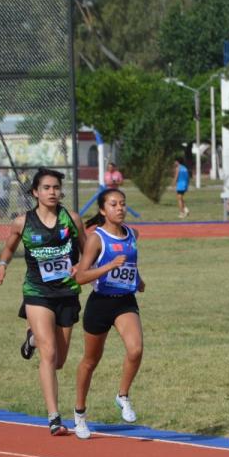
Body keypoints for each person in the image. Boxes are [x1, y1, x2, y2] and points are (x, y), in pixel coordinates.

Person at [0, 168, 86, 436]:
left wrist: (81, 265)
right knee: (49, 353)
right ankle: (54, 417)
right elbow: (10, 247)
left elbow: (88, 248)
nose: (52, 192)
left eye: (56, 187)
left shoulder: (72, 219)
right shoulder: (22, 222)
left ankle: (31, 338)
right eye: (46, 188)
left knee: (59, 361)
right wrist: (2, 265)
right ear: (35, 192)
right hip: (37, 292)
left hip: (67, 293)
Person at [70, 188, 145, 440]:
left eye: (123, 204)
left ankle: (122, 395)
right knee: (90, 361)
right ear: (103, 210)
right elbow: (81, 276)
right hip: (100, 303)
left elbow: (130, 264)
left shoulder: (132, 234)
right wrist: (108, 267)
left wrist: (138, 280)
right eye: (113, 204)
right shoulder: (96, 239)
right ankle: (79, 413)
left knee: (135, 349)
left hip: (124, 301)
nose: (120, 208)